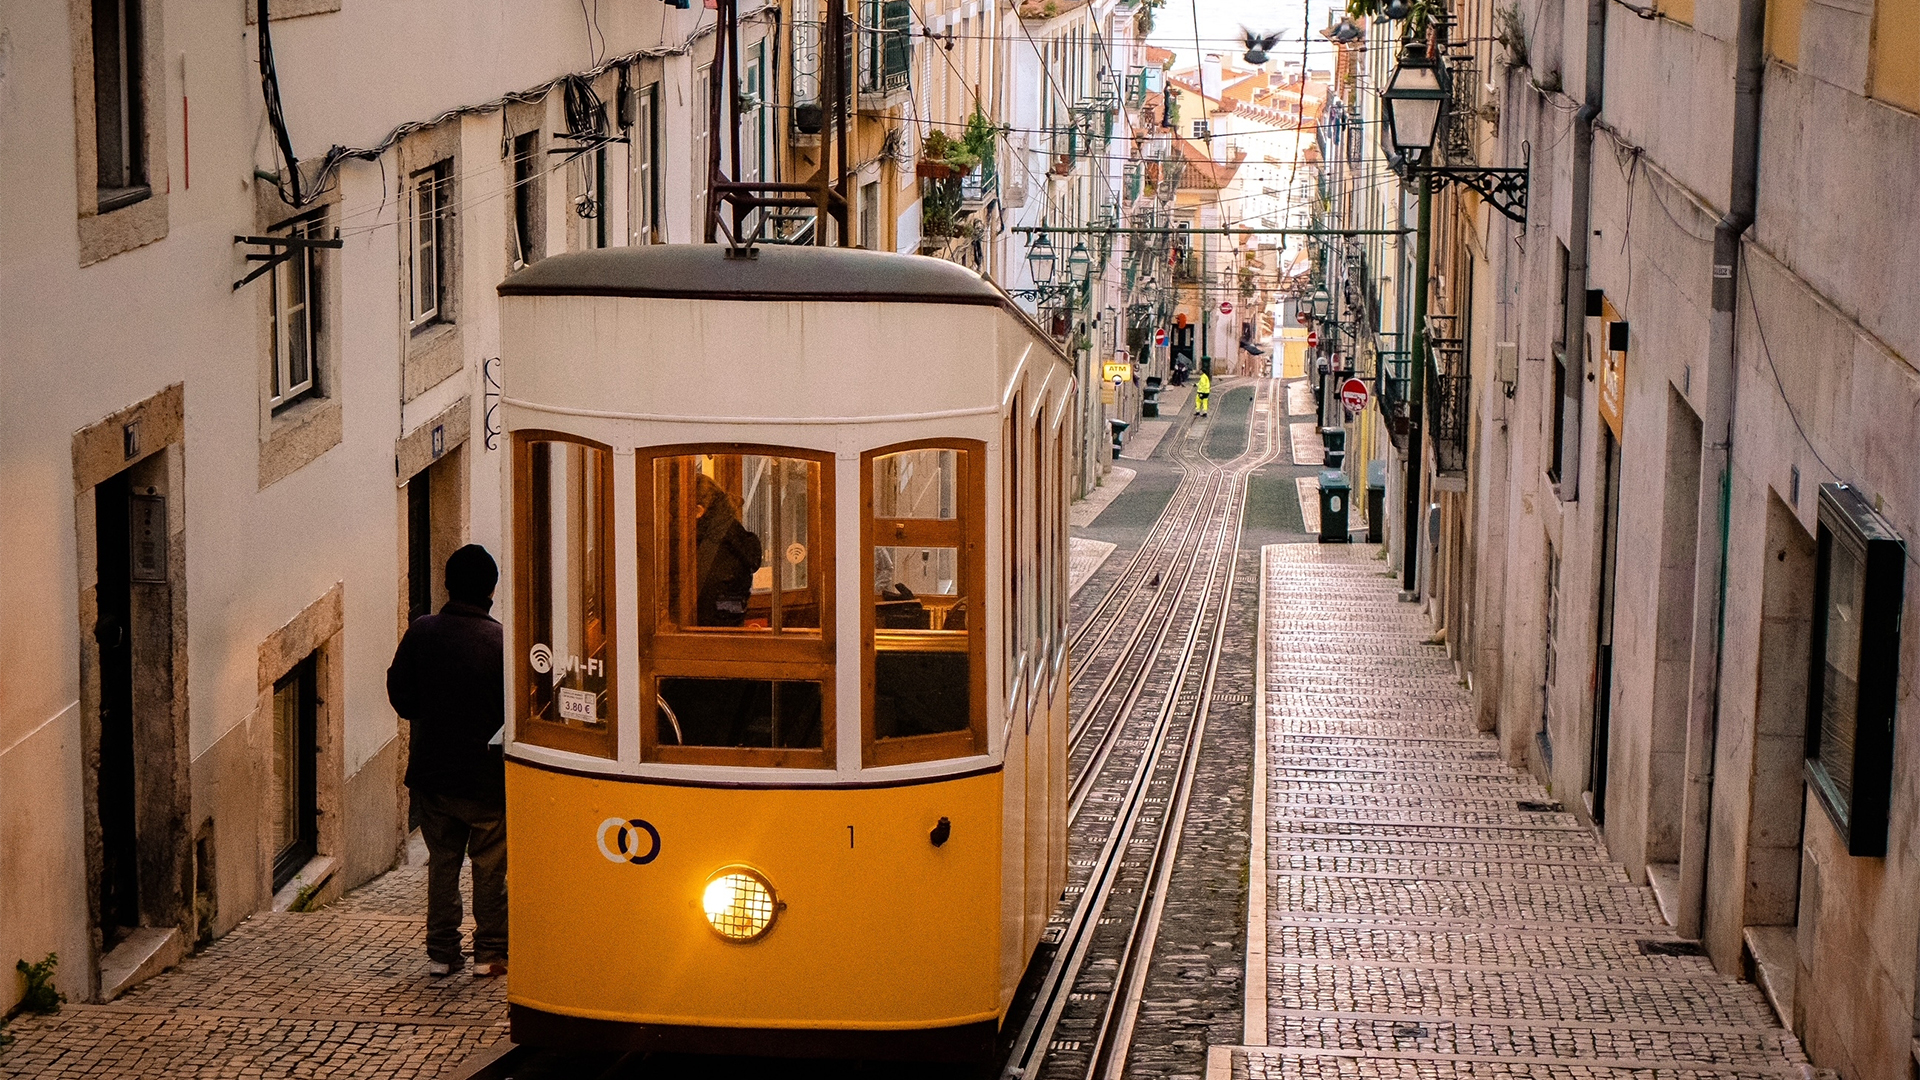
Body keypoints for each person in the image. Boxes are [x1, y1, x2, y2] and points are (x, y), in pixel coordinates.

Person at [387, 545, 507, 978]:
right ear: (491, 590)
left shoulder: (422, 632)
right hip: (486, 780)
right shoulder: (501, 644)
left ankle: (441, 952)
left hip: (433, 773)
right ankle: (490, 953)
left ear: (447, 585)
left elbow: (402, 697)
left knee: (442, 864)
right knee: (490, 867)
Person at [694, 474, 763, 627]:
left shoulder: (710, 543)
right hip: (726, 632)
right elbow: (733, 605)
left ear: (698, 511)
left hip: (705, 633)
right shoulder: (732, 536)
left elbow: (710, 602)